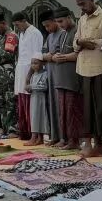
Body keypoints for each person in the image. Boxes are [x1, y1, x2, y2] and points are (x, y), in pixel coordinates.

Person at [74, 0, 102, 158]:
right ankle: (97, 146)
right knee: (89, 111)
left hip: (101, 68)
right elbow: (75, 43)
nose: (81, 8)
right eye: (79, 5)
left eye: (83, 4)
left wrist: (91, 42)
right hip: (84, 69)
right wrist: (80, 42)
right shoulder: (82, 19)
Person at [46, 7, 82, 150]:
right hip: (60, 78)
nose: (60, 24)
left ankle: (74, 141)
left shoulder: (77, 31)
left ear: (69, 17)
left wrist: (64, 57)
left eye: (61, 21)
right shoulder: (63, 34)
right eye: (57, 22)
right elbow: (53, 53)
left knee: (73, 110)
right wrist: (54, 57)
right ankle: (64, 138)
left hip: (72, 79)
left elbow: (79, 54)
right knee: (63, 111)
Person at [12, 12, 43, 140]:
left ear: (24, 20)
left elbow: (36, 57)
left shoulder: (35, 33)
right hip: (20, 70)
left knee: (31, 105)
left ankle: (34, 134)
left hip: (29, 72)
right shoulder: (22, 33)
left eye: (17, 24)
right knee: (22, 103)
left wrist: (29, 76)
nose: (16, 27)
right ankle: (24, 132)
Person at [0, 14, 19, 134]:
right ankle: (4, 127)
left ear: (3, 23)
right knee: (2, 103)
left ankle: (12, 128)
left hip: (9, 76)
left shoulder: (11, 36)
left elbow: (7, 55)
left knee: (11, 102)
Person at [39, 14, 62, 147]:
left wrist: (49, 56)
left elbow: (58, 54)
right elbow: (43, 53)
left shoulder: (62, 34)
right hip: (50, 75)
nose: (47, 29)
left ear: (55, 21)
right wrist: (48, 56)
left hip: (59, 75)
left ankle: (63, 138)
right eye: (45, 27)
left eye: (48, 25)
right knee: (51, 106)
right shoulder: (49, 36)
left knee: (60, 107)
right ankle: (54, 136)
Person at [27, 56, 51, 146]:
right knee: (34, 117)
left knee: (38, 118)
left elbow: (44, 86)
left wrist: (32, 87)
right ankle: (37, 138)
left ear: (42, 63)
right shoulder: (33, 75)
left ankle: (35, 137)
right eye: (32, 63)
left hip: (41, 100)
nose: (33, 65)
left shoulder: (45, 74)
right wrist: (29, 89)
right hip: (33, 98)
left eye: (36, 63)